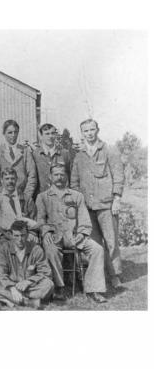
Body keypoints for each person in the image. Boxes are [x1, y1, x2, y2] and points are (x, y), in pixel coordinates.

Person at [37, 164, 107, 303]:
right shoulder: (43, 197)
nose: (59, 177)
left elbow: (85, 220)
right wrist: (46, 233)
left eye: (62, 174)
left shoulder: (77, 196)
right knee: (50, 249)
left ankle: (93, 289)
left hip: (75, 236)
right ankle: (59, 287)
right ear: (50, 177)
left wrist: (81, 234)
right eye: (56, 174)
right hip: (55, 236)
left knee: (97, 249)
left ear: (67, 176)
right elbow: (40, 219)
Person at [70, 119, 124, 289]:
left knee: (111, 241)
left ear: (98, 130)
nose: (90, 133)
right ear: (82, 133)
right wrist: (79, 204)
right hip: (87, 207)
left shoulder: (109, 150)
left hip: (106, 204)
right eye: (86, 131)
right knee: (94, 243)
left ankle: (115, 275)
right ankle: (98, 278)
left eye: (92, 130)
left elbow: (118, 175)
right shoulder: (79, 155)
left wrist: (117, 198)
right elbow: (74, 181)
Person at [0, 220, 54, 309]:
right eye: (16, 236)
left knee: (49, 284)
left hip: (30, 289)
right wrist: (12, 288)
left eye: (23, 235)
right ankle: (30, 302)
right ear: (11, 235)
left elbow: (46, 273)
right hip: (11, 288)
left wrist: (29, 281)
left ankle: (9, 301)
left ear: (28, 234)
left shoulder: (36, 249)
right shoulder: (4, 249)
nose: (20, 239)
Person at [0, 167, 38, 261]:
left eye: (12, 178)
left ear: (16, 179)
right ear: (1, 180)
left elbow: (34, 218)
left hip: (23, 236)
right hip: (2, 237)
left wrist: (32, 233)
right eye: (7, 179)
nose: (10, 181)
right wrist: (5, 234)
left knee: (30, 256)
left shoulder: (26, 198)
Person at [0, 119, 37, 200]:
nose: (13, 135)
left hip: (22, 196)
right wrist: (3, 195)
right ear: (4, 133)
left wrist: (26, 196)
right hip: (3, 197)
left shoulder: (25, 151)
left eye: (16, 132)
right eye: (10, 132)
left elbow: (32, 176)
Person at [32, 123, 72, 194]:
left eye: (53, 133)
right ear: (41, 136)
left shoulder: (64, 153)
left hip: (61, 196)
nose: (50, 136)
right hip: (42, 197)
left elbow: (70, 176)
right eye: (47, 134)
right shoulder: (35, 154)